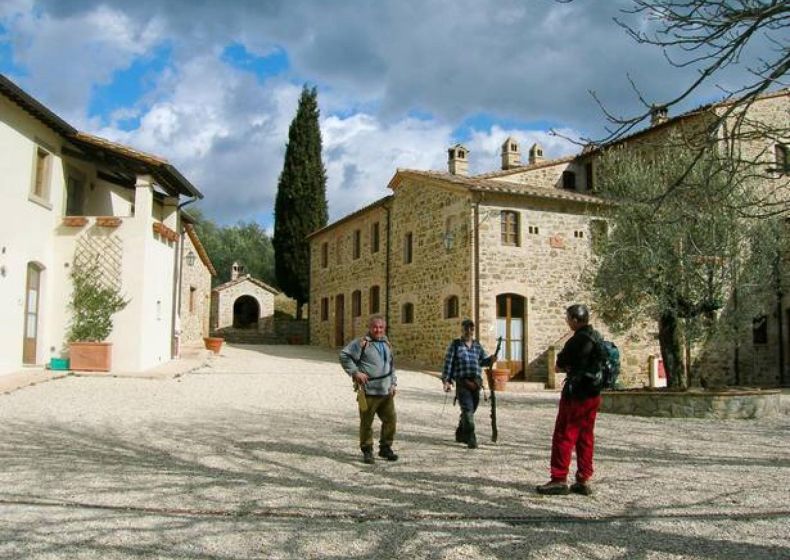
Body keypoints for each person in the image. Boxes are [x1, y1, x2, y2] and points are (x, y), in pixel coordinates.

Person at [536, 304, 603, 496]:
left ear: (575, 319)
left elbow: (559, 365)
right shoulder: (597, 337)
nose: (566, 321)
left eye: (568, 318)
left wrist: (566, 366)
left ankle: (558, 478)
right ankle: (583, 478)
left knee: (564, 434)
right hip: (593, 394)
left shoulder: (577, 340)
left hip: (576, 394)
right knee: (585, 436)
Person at [339, 315, 398, 464]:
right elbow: (344, 355)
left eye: (381, 327)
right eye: (375, 327)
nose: (378, 330)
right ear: (370, 327)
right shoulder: (361, 343)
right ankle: (367, 450)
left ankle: (385, 448)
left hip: (386, 391)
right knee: (366, 423)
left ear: (384, 329)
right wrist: (355, 372)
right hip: (369, 391)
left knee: (391, 421)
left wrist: (393, 383)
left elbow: (391, 366)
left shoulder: (386, 343)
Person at [441, 319, 495, 449]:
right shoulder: (455, 345)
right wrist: (447, 380)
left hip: (476, 383)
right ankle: (471, 437)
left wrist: (490, 360)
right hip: (462, 382)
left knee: (472, 408)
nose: (469, 331)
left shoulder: (477, 346)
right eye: (466, 328)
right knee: (467, 409)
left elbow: (482, 361)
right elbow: (448, 363)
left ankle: (460, 432)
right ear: (462, 329)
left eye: (471, 329)